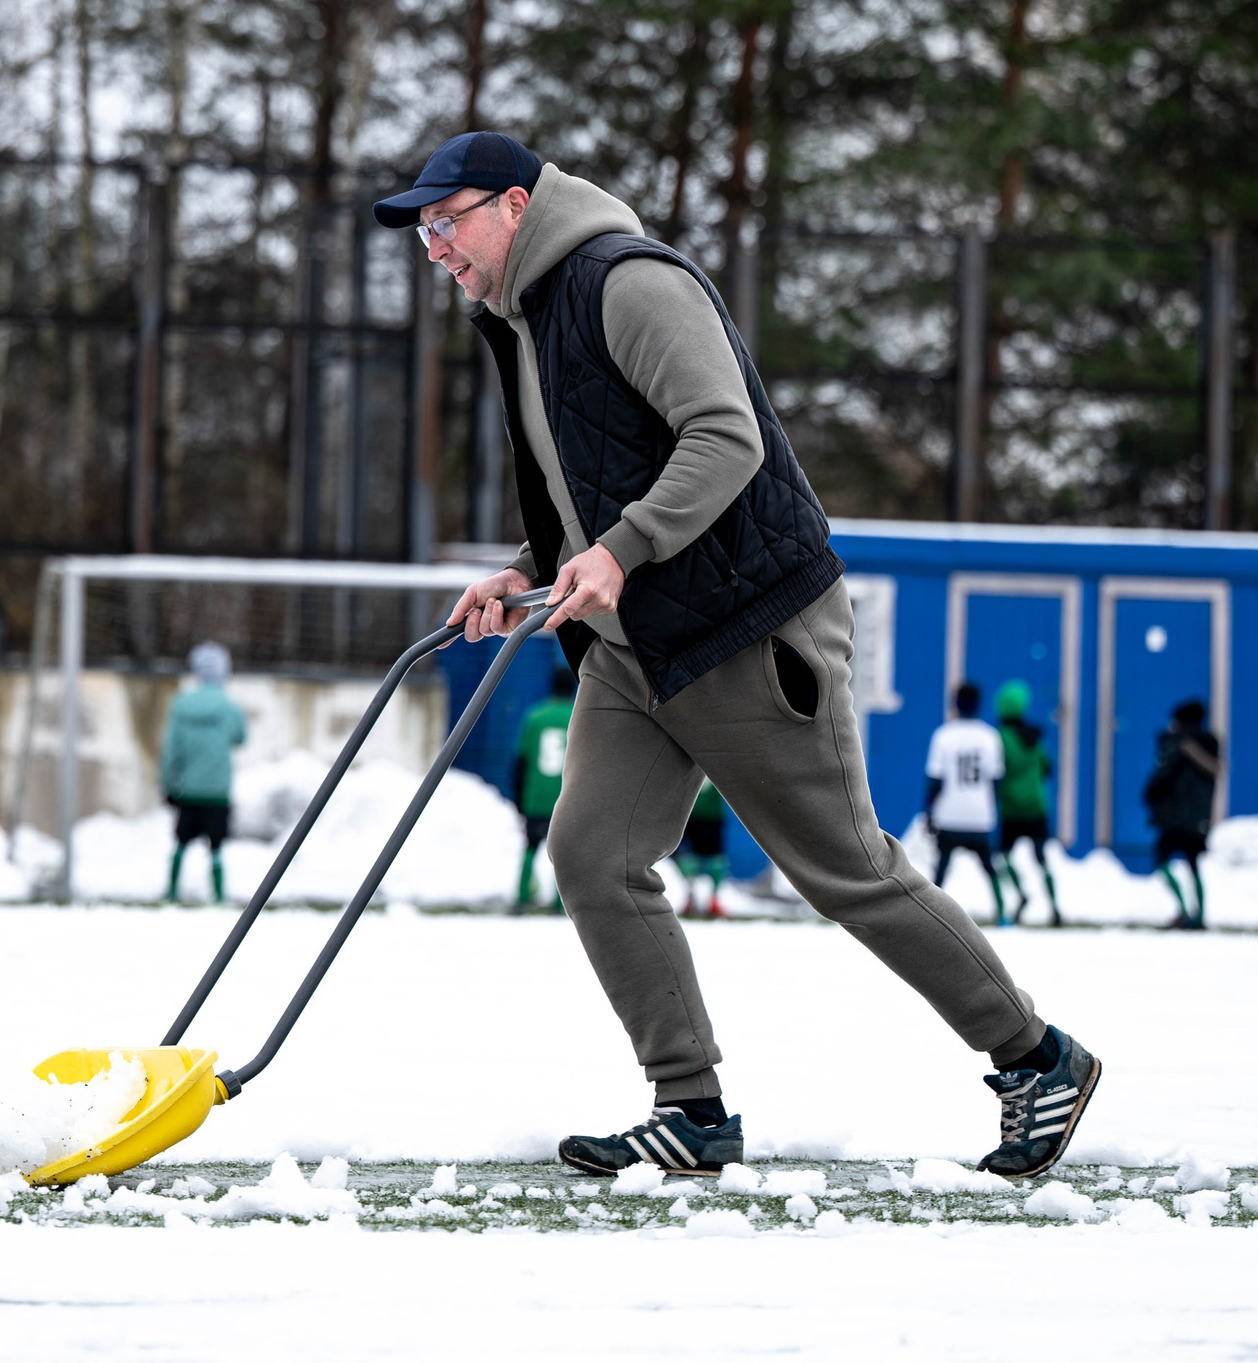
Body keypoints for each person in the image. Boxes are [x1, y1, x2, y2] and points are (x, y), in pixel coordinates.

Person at [397, 130, 1095, 1180]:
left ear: (510, 204)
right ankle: (691, 1106)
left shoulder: (622, 280)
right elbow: (593, 483)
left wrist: (620, 552)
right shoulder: (527, 317)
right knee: (592, 852)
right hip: (638, 642)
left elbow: (725, 437)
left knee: (844, 869)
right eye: (421, 232)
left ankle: (1036, 1057)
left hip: (744, 624)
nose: (434, 247)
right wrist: (528, 569)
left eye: (445, 222)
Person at [159, 642, 245, 904]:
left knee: (181, 843)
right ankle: (219, 897)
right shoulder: (229, 708)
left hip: (189, 789)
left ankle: (171, 894)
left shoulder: (181, 707)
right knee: (216, 846)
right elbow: (240, 737)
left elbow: (171, 751)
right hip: (218, 790)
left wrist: (167, 784)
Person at [925, 682, 1009, 927]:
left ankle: (930, 913)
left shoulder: (943, 735)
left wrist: (930, 812)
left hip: (950, 814)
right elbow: (996, 780)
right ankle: (1003, 913)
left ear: (955, 704)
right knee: (989, 868)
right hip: (980, 815)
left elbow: (935, 781)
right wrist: (994, 811)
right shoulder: (990, 736)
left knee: (941, 869)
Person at [1143, 697, 1222, 930]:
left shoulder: (1175, 744)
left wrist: (1151, 794)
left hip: (1173, 815)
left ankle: (1183, 909)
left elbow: (1163, 778)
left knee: (1162, 859)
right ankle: (1199, 915)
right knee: (1194, 863)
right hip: (1199, 816)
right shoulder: (1210, 744)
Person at [992, 680, 1062, 926]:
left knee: (1002, 856)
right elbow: (1047, 768)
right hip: (1037, 807)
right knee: (1041, 858)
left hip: (1012, 809)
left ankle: (1021, 893)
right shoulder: (1036, 739)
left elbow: (997, 771)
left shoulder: (1000, 738)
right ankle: (1055, 907)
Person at [510, 664, 577, 913]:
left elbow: (521, 761)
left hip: (535, 797)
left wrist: (518, 797)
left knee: (530, 846)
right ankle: (561, 904)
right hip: (566, 797)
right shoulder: (577, 716)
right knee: (564, 852)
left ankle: (522, 898)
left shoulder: (535, 717)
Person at [674, 781, 734, 920]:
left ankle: (710, 898)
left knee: (712, 857)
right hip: (693, 812)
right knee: (693, 856)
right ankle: (694, 895)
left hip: (709, 813)